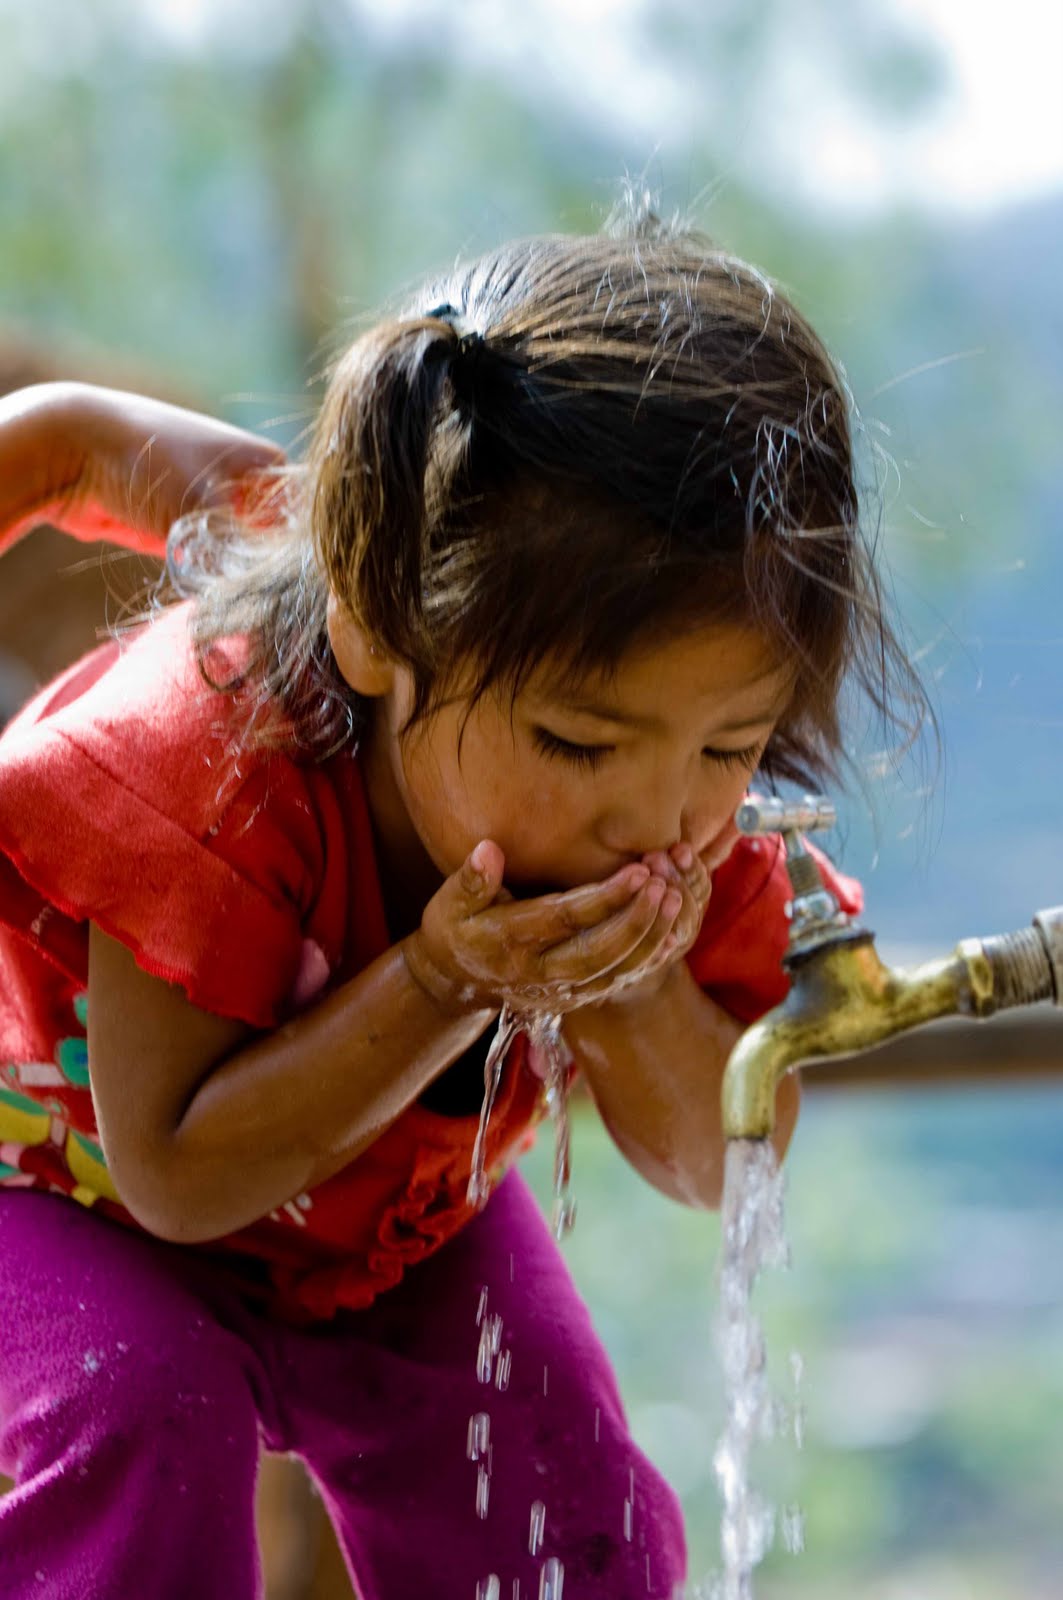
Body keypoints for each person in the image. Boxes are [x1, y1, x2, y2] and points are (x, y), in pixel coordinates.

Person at [0, 222, 919, 1600]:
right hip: (65, 1192)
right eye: (575, 742)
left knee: (566, 1511)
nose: (656, 815)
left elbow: (730, 1162)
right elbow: (178, 1174)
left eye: (732, 747)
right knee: (146, 1416)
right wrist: (442, 984)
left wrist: (628, 988)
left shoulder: (681, 819)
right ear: (378, 632)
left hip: (387, 1226)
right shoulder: (208, 758)